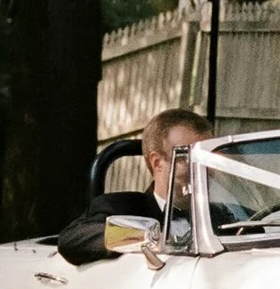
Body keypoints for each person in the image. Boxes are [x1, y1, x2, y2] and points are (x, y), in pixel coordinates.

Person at [56, 108, 210, 265]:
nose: (204, 169)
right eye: (188, 159)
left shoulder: (221, 215)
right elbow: (72, 238)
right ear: (157, 163)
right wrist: (145, 235)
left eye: (209, 159)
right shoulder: (123, 208)